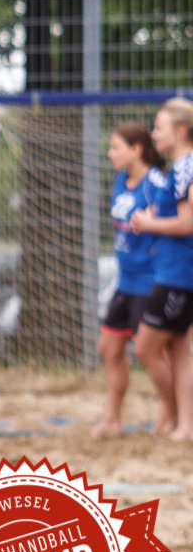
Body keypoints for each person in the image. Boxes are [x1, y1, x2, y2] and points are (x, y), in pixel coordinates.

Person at [93, 122, 168, 435]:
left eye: (115, 147)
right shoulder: (121, 180)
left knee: (151, 353)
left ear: (136, 149)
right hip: (125, 280)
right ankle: (112, 419)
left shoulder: (157, 183)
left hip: (150, 280)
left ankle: (172, 413)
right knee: (109, 349)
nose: (110, 153)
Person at [130, 98, 193, 441]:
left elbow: (189, 221)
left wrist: (149, 222)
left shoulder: (186, 167)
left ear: (181, 132)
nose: (154, 134)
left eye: (160, 127)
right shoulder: (179, 167)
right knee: (179, 351)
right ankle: (182, 424)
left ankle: (175, 415)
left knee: (145, 348)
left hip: (178, 275)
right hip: (174, 272)